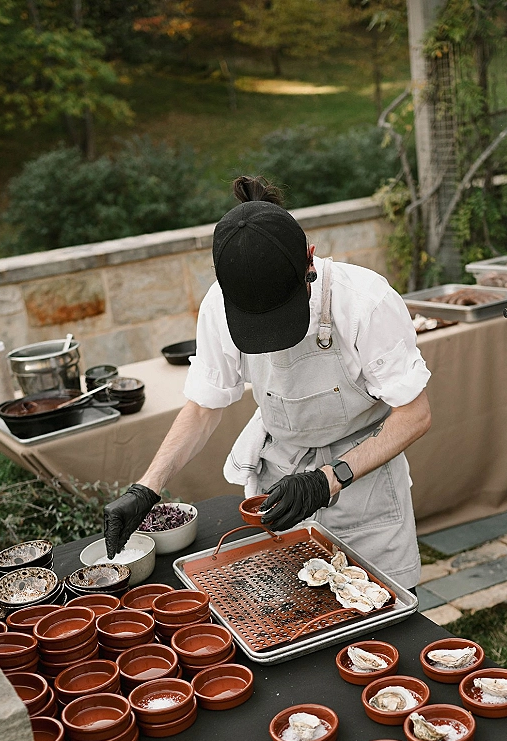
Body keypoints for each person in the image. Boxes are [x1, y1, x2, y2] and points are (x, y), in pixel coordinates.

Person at [104, 176, 431, 589]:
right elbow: (205, 407)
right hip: (278, 479)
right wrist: (146, 488)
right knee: (288, 610)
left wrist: (330, 478)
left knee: (378, 617)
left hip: (362, 483)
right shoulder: (217, 305)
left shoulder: (365, 301)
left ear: (309, 259)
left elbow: (415, 415)